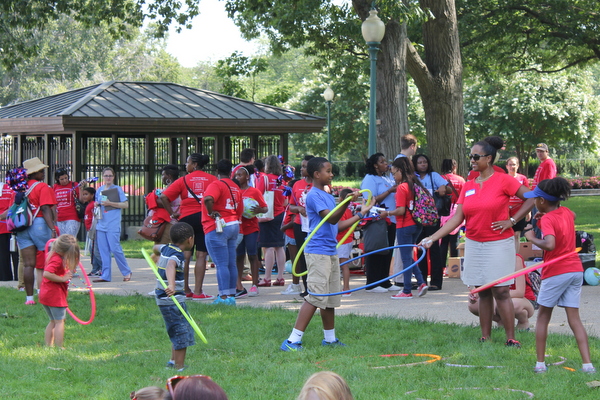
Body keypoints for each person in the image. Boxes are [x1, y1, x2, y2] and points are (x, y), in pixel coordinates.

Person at [420, 136, 534, 346]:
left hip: (499, 243)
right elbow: (457, 218)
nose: (471, 160)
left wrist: (512, 220)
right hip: (474, 243)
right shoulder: (469, 185)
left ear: (489, 158)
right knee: (482, 290)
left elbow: (532, 196)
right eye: (470, 156)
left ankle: (511, 338)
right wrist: (432, 238)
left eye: (476, 156)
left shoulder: (503, 180)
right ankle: (485, 337)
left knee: (500, 290)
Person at [281, 157, 373, 351]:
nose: (332, 175)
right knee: (314, 296)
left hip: (330, 250)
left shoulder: (327, 196)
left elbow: (338, 226)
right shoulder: (313, 195)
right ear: (317, 174)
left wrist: (361, 214)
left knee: (329, 297)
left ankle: (330, 339)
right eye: (328, 171)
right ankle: (292, 341)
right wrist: (347, 203)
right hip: (317, 251)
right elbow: (330, 219)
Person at [522, 177, 595, 374]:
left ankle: (539, 364)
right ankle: (588, 365)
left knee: (543, 316)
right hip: (575, 270)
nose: (535, 203)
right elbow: (572, 216)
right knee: (574, 318)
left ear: (543, 201)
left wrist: (531, 237)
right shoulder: (567, 213)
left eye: (536, 199)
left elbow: (550, 244)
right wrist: (545, 217)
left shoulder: (546, 218)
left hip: (556, 271)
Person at [160, 153, 217, 300]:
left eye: (188, 162)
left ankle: (184, 289)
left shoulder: (183, 180)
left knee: (185, 255)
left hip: (186, 219)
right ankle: (198, 292)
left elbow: (164, 196)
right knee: (201, 255)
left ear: (195, 164)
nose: (186, 165)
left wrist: (172, 214)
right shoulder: (212, 179)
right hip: (204, 219)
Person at [381, 157, 428, 299]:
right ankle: (420, 282)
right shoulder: (414, 184)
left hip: (404, 225)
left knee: (406, 258)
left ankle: (407, 290)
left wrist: (387, 213)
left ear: (400, 171)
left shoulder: (402, 187)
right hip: (416, 224)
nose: (393, 176)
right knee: (408, 255)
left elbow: (401, 210)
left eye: (394, 173)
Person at [152, 222, 196, 372]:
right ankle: (179, 368)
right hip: (172, 299)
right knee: (181, 333)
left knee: (176, 328)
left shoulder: (166, 248)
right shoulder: (178, 254)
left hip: (164, 299)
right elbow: (171, 265)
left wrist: (155, 255)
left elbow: (155, 248)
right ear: (190, 239)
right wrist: (171, 285)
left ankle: (172, 361)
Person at [16, 158, 57, 304]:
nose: (43, 173)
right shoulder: (42, 187)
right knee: (48, 260)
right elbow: (46, 208)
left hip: (22, 226)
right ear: (34, 173)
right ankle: (46, 293)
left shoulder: (19, 188)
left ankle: (29, 298)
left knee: (28, 264)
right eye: (41, 171)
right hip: (39, 224)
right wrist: (53, 228)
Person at [202, 159, 243, 305]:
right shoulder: (235, 187)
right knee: (231, 262)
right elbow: (240, 209)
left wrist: (211, 212)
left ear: (217, 171)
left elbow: (208, 198)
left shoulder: (216, 184)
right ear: (231, 171)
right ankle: (231, 295)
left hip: (218, 227)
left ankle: (223, 297)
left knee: (221, 264)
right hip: (234, 225)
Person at [360, 153, 398, 293]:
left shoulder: (386, 178)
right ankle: (372, 283)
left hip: (390, 219)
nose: (385, 163)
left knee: (387, 250)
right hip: (377, 219)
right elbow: (371, 199)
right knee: (376, 249)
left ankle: (384, 281)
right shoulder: (370, 179)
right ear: (375, 165)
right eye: (382, 162)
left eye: (385, 161)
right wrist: (389, 191)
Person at [468, 255, 535, 330]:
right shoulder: (489, 259)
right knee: (474, 305)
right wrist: (474, 293)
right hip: (497, 297)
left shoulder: (516, 259)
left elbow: (519, 292)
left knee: (513, 304)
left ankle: (523, 321)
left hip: (523, 299)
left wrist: (494, 298)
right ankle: (500, 320)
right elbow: (483, 284)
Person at [413, 154, 448, 291]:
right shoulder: (413, 178)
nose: (423, 164)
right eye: (420, 162)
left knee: (433, 249)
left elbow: (447, 188)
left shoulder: (433, 176)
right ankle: (421, 281)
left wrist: (444, 189)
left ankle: (436, 281)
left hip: (433, 217)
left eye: (425, 162)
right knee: (420, 248)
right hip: (417, 217)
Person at [39, 234, 79, 348]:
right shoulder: (56, 259)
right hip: (54, 295)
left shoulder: (53, 255)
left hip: (46, 293)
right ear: (64, 251)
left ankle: (48, 346)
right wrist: (62, 278)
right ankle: (59, 346)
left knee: (53, 321)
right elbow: (47, 273)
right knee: (59, 322)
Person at [92, 167, 132, 283]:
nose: (108, 178)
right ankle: (105, 275)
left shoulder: (117, 189)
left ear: (113, 177)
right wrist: (96, 204)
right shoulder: (99, 189)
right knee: (103, 250)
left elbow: (125, 205)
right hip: (101, 223)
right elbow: (99, 202)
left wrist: (111, 203)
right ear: (103, 177)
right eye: (106, 176)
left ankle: (126, 271)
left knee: (115, 248)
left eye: (110, 175)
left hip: (113, 224)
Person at [234, 165, 267, 298]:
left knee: (253, 254)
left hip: (251, 227)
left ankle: (255, 285)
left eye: (240, 175)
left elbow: (265, 208)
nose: (237, 178)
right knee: (239, 255)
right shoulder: (234, 191)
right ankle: (238, 284)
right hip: (238, 227)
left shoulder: (254, 191)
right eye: (236, 175)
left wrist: (258, 210)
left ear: (247, 177)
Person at [256, 155, 287, 287]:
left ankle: (267, 277)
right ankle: (280, 277)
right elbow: (286, 200)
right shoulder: (282, 181)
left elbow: (257, 194)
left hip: (267, 215)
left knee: (268, 247)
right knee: (279, 247)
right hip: (280, 215)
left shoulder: (264, 178)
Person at [286, 155, 314, 296]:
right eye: (301, 166)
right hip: (299, 224)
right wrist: (298, 209)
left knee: (314, 256)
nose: (302, 169)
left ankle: (316, 288)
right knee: (301, 256)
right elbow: (291, 206)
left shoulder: (320, 184)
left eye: (305, 166)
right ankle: (306, 288)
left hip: (315, 226)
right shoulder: (297, 185)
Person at [439, 159, 465, 269]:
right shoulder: (461, 180)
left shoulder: (440, 179)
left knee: (443, 240)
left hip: (443, 212)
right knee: (455, 240)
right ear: (454, 167)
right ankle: (454, 267)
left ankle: (441, 266)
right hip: (456, 212)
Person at [146, 165, 180, 247]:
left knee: (162, 248)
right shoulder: (180, 186)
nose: (162, 177)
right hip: (175, 222)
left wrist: (152, 199)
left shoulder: (172, 188)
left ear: (169, 176)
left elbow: (163, 201)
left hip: (169, 223)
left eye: (163, 175)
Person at [336, 188, 361, 296]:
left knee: (342, 265)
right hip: (346, 239)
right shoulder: (348, 210)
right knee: (342, 264)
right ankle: (345, 288)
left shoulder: (340, 211)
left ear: (340, 199)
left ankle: (345, 288)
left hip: (342, 240)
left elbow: (339, 226)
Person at [506, 156, 530, 252]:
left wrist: (528, 211)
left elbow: (528, 195)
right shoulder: (504, 178)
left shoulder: (522, 178)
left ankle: (516, 256)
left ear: (518, 166)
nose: (512, 167)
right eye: (510, 165)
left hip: (519, 210)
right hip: (506, 211)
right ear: (507, 166)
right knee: (508, 234)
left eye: (514, 164)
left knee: (516, 234)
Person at [52, 168, 81, 237]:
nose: (65, 180)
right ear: (57, 179)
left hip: (72, 216)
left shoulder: (74, 185)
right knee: (61, 240)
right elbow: (54, 203)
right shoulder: (55, 187)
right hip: (59, 217)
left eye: (66, 178)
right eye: (62, 179)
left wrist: (81, 188)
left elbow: (81, 199)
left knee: (69, 239)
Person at [80, 187, 102, 276]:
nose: (84, 196)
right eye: (83, 194)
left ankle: (102, 267)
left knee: (95, 250)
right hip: (89, 230)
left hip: (94, 230)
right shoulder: (89, 205)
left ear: (92, 195)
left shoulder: (93, 204)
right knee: (92, 250)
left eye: (86, 194)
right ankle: (95, 268)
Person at [0, 181, 17, 281]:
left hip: (2, 226)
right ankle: (18, 276)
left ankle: (5, 277)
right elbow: (13, 206)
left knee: (2, 253)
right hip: (12, 224)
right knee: (15, 253)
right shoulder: (11, 189)